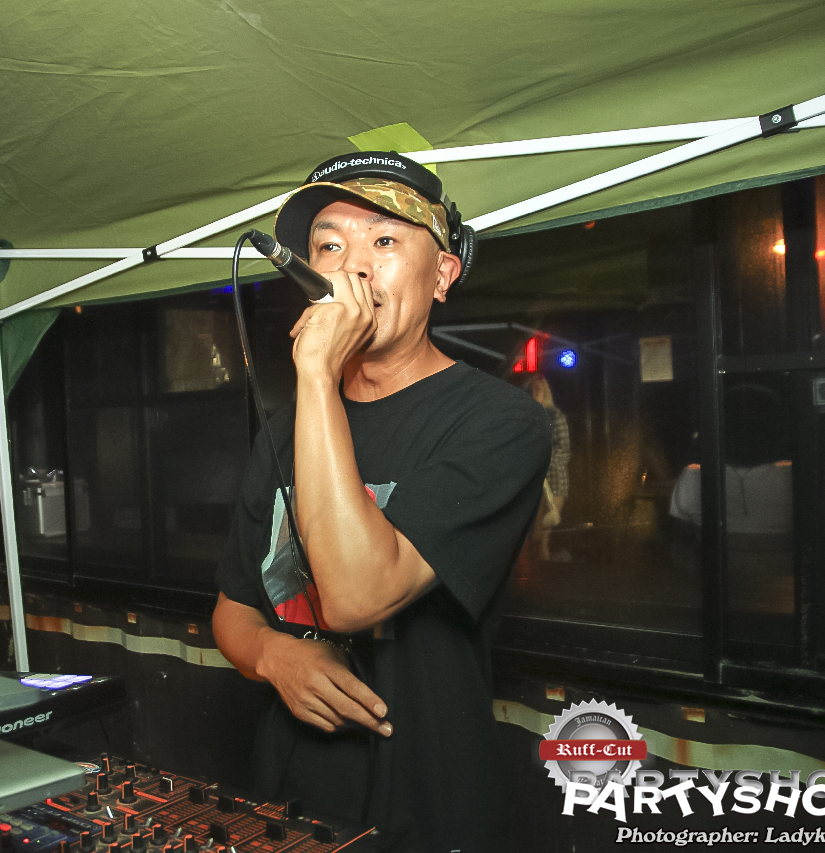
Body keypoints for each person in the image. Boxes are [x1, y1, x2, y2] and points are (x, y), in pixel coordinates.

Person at [212, 152, 551, 851]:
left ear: (443, 276)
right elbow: (233, 609)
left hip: (427, 806)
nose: (354, 269)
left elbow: (356, 597)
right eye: (330, 246)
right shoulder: (283, 432)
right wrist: (275, 655)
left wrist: (315, 374)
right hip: (289, 800)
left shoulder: (498, 422)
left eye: (385, 240)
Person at [523, 373, 570, 561]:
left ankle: (544, 556)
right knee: (534, 520)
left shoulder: (555, 415)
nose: (535, 394)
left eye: (538, 390)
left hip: (554, 475)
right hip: (534, 475)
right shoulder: (527, 416)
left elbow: (564, 448)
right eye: (532, 390)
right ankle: (536, 558)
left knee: (549, 519)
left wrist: (545, 459)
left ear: (545, 392)